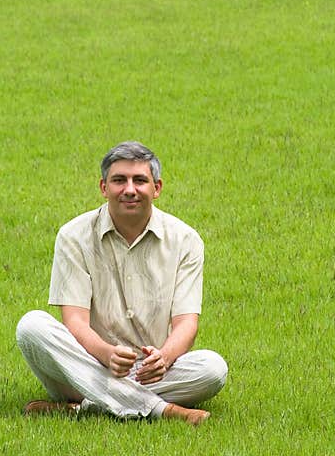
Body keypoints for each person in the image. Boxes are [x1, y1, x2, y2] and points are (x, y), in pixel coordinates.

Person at [16, 141, 228, 426]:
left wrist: (164, 359)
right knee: (31, 326)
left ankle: (84, 407)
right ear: (104, 187)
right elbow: (75, 321)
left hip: (152, 373)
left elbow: (187, 323)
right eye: (119, 180)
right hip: (86, 365)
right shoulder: (73, 236)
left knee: (213, 369)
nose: (130, 189)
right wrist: (106, 354)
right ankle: (162, 410)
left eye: (140, 180)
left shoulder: (186, 240)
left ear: (157, 187)